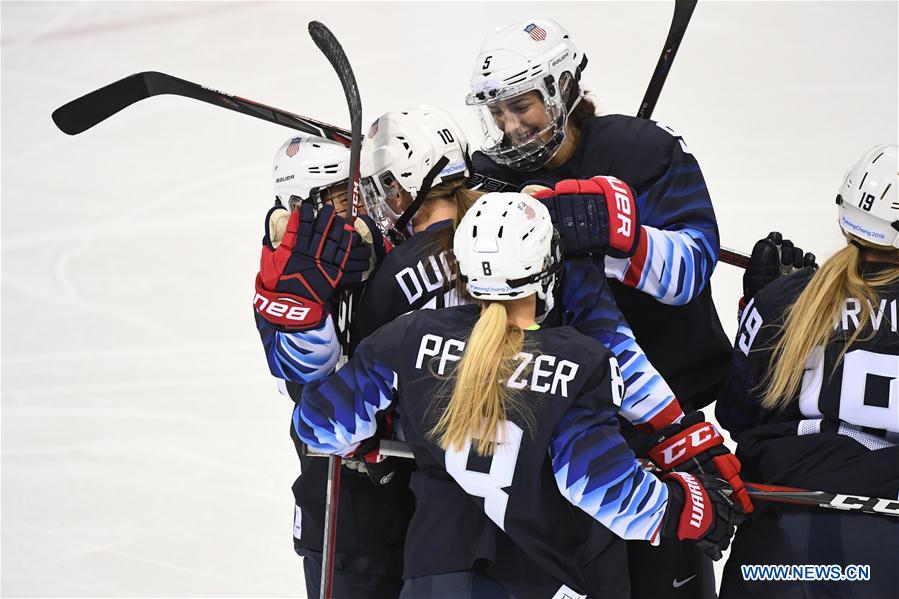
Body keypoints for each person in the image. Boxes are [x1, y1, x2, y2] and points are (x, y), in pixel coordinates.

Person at [296, 192, 744, 598]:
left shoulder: (408, 337)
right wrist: (689, 505)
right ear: (549, 267)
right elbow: (599, 485)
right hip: (544, 580)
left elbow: (316, 424)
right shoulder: (582, 361)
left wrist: (369, 437)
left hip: (435, 576)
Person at [465, 18, 743, 596]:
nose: (511, 127)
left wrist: (622, 238)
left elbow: (692, 269)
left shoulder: (642, 151)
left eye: (522, 106)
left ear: (564, 87)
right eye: (498, 113)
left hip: (662, 415)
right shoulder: (491, 179)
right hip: (557, 424)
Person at [716, 144, 899, 598]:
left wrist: (756, 310)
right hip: (886, 547)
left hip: (778, 549)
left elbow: (737, 414)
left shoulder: (783, 300)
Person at [254, 133, 406, 599]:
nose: (356, 211)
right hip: (343, 522)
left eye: (354, 193)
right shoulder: (280, 280)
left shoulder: (381, 247)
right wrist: (311, 305)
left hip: (416, 500)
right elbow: (302, 379)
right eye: (340, 199)